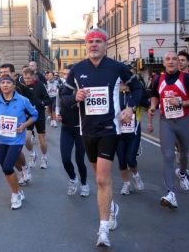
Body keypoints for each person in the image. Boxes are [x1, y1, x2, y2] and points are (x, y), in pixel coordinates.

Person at [61, 28, 142, 247]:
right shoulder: (77, 70)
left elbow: (138, 88)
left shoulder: (117, 67)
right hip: (87, 130)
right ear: (86, 46)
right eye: (90, 42)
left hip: (110, 128)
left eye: (98, 41)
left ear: (105, 45)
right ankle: (112, 206)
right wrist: (74, 97)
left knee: (101, 179)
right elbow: (64, 97)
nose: (94, 45)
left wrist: (131, 108)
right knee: (100, 177)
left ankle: (103, 230)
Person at [147, 51, 189, 210]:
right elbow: (154, 96)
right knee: (168, 156)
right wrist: (153, 107)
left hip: (184, 120)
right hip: (166, 121)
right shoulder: (159, 79)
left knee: (184, 153)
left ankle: (183, 173)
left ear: (179, 63)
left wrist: (181, 102)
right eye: (168, 59)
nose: (171, 62)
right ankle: (170, 193)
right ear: (164, 63)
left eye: (174, 59)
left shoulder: (187, 78)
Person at [0, 73, 38, 209]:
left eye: (8, 83)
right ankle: (19, 191)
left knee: (7, 167)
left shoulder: (22, 100)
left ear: (13, 85)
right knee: (6, 169)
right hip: (3, 139)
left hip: (16, 139)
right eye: (3, 83)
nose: (5, 85)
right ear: (0, 85)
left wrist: (24, 125)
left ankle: (15, 194)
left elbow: (34, 114)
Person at [56, 65, 89, 197]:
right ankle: (73, 178)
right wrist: (57, 114)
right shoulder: (61, 90)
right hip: (66, 128)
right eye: (64, 74)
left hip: (81, 129)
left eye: (69, 74)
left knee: (80, 160)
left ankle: (84, 184)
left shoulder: (85, 91)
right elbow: (58, 105)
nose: (66, 77)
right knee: (65, 159)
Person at [116, 82, 144, 195]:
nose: (122, 84)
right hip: (118, 134)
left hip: (134, 133)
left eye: (125, 81)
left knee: (130, 160)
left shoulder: (135, 94)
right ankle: (126, 183)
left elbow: (148, 105)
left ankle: (136, 176)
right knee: (122, 161)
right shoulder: (114, 94)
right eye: (120, 82)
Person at [22, 67, 52, 169]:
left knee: (41, 138)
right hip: (27, 116)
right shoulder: (21, 86)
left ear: (33, 77)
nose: (26, 80)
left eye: (28, 78)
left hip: (39, 114)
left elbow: (48, 99)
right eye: (25, 78)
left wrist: (42, 103)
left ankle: (44, 157)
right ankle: (33, 154)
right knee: (26, 139)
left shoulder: (40, 85)